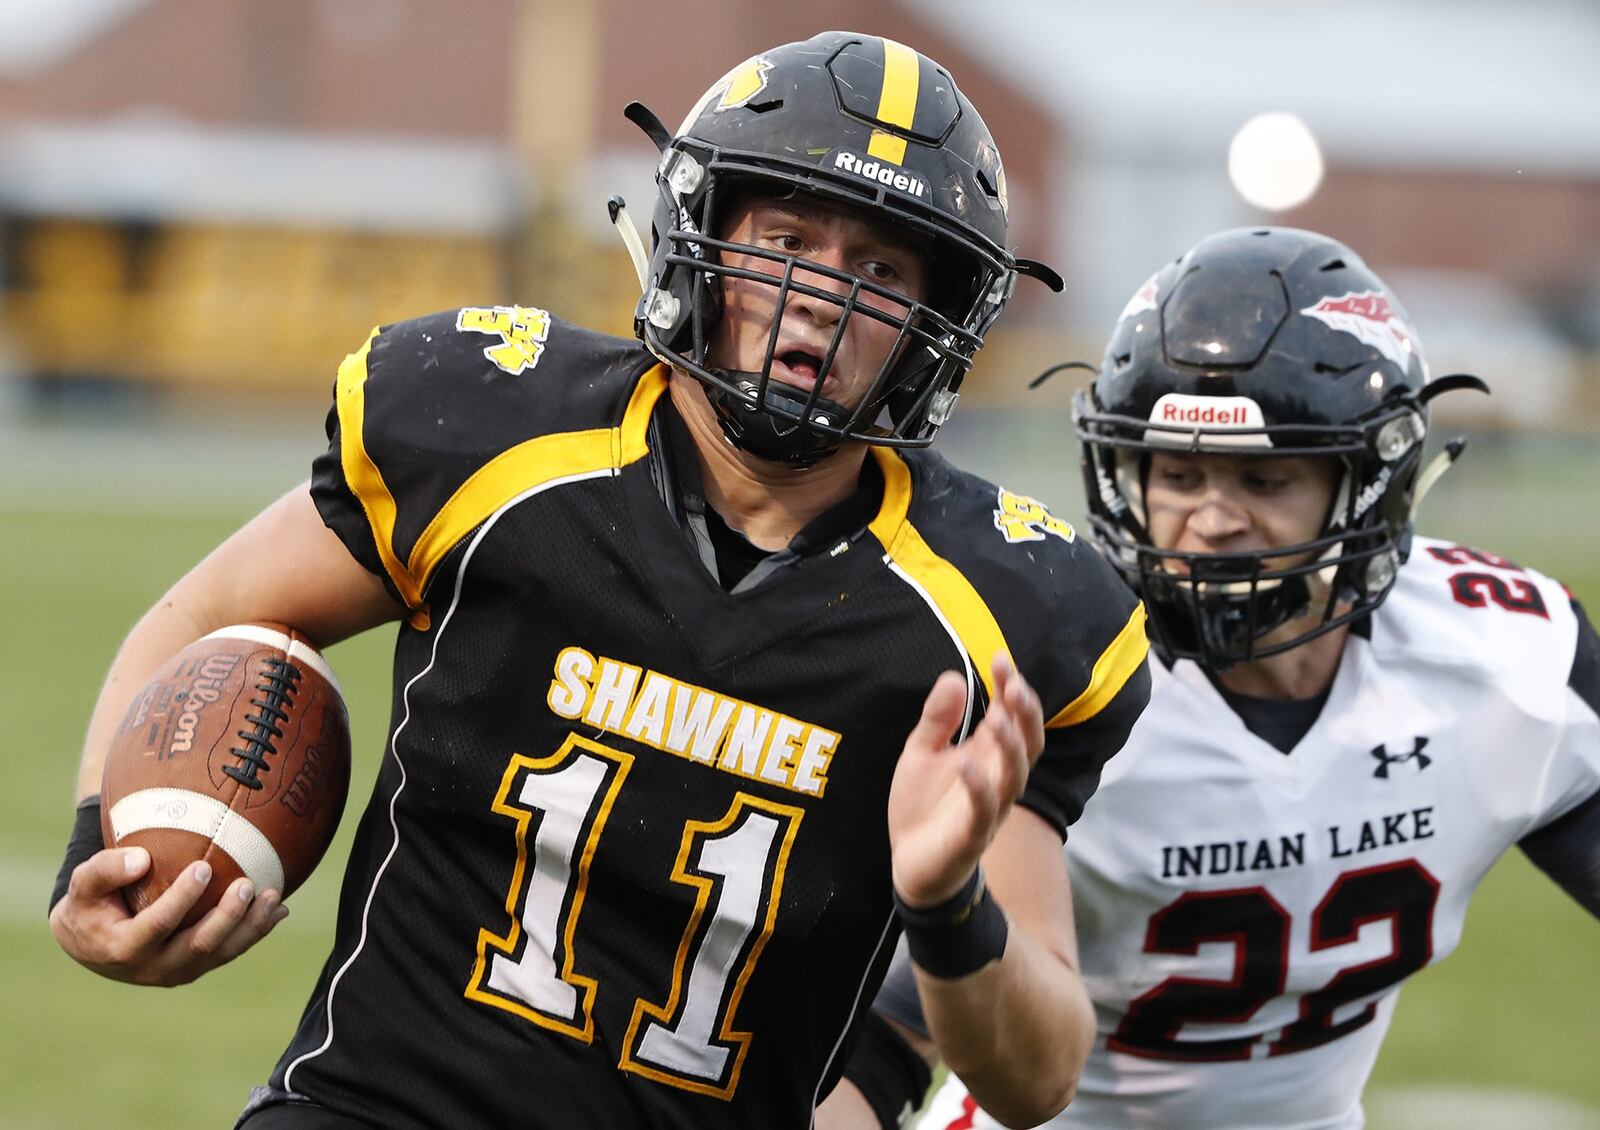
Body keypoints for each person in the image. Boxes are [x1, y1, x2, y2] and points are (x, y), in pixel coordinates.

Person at [47, 31, 1151, 1130]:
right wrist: (105, 848)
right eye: (788, 238)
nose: (822, 296)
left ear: (937, 322)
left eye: (878, 269)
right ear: (701, 231)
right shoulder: (498, 435)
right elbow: (208, 613)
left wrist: (952, 903)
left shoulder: (995, 615)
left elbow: (1038, 1075)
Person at [825, 226, 1600, 1130]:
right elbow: (886, 1038)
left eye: (1265, 480)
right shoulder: (1062, 672)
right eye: (1180, 474)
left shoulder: (1501, 654)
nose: (1211, 521)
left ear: (1368, 483)